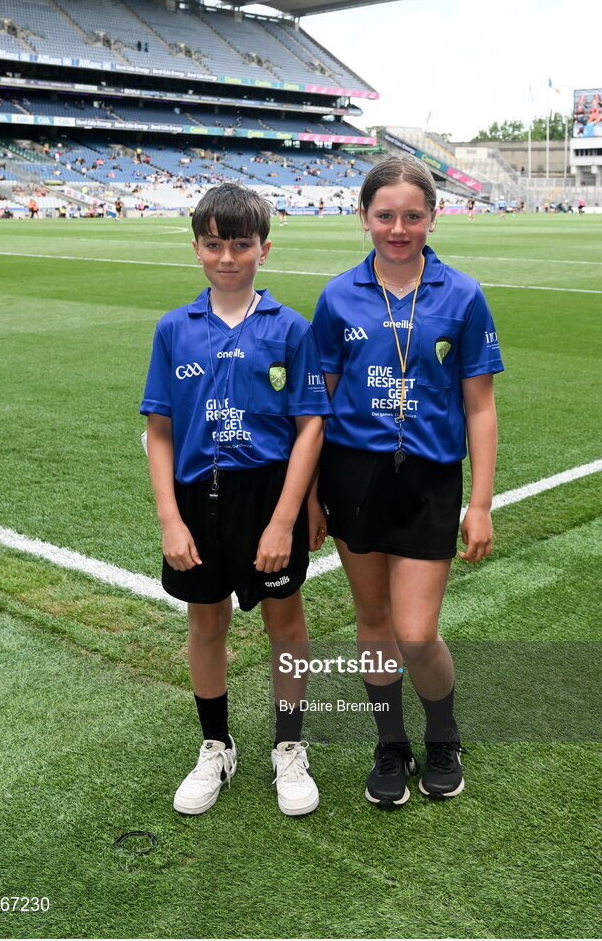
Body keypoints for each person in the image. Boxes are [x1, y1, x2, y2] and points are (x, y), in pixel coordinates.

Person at [312, 155, 504, 807]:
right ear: (364, 217)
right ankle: (390, 743)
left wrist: (479, 503)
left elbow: (480, 406)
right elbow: (320, 402)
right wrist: (311, 495)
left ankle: (443, 736)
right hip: (353, 474)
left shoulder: (462, 295)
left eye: (412, 215)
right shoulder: (338, 296)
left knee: (416, 632)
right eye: (385, 215)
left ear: (432, 216)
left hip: (428, 479)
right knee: (372, 621)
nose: (399, 228)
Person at [141, 183, 331, 817]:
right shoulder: (173, 329)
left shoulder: (290, 329)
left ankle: (288, 747)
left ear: (264, 249)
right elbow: (159, 431)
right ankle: (216, 745)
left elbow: (310, 425)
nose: (228, 257)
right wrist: (170, 518)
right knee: (207, 622)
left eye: (241, 244)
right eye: (215, 244)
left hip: (266, 496)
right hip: (198, 498)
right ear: (196, 248)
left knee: (285, 622)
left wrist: (285, 516)